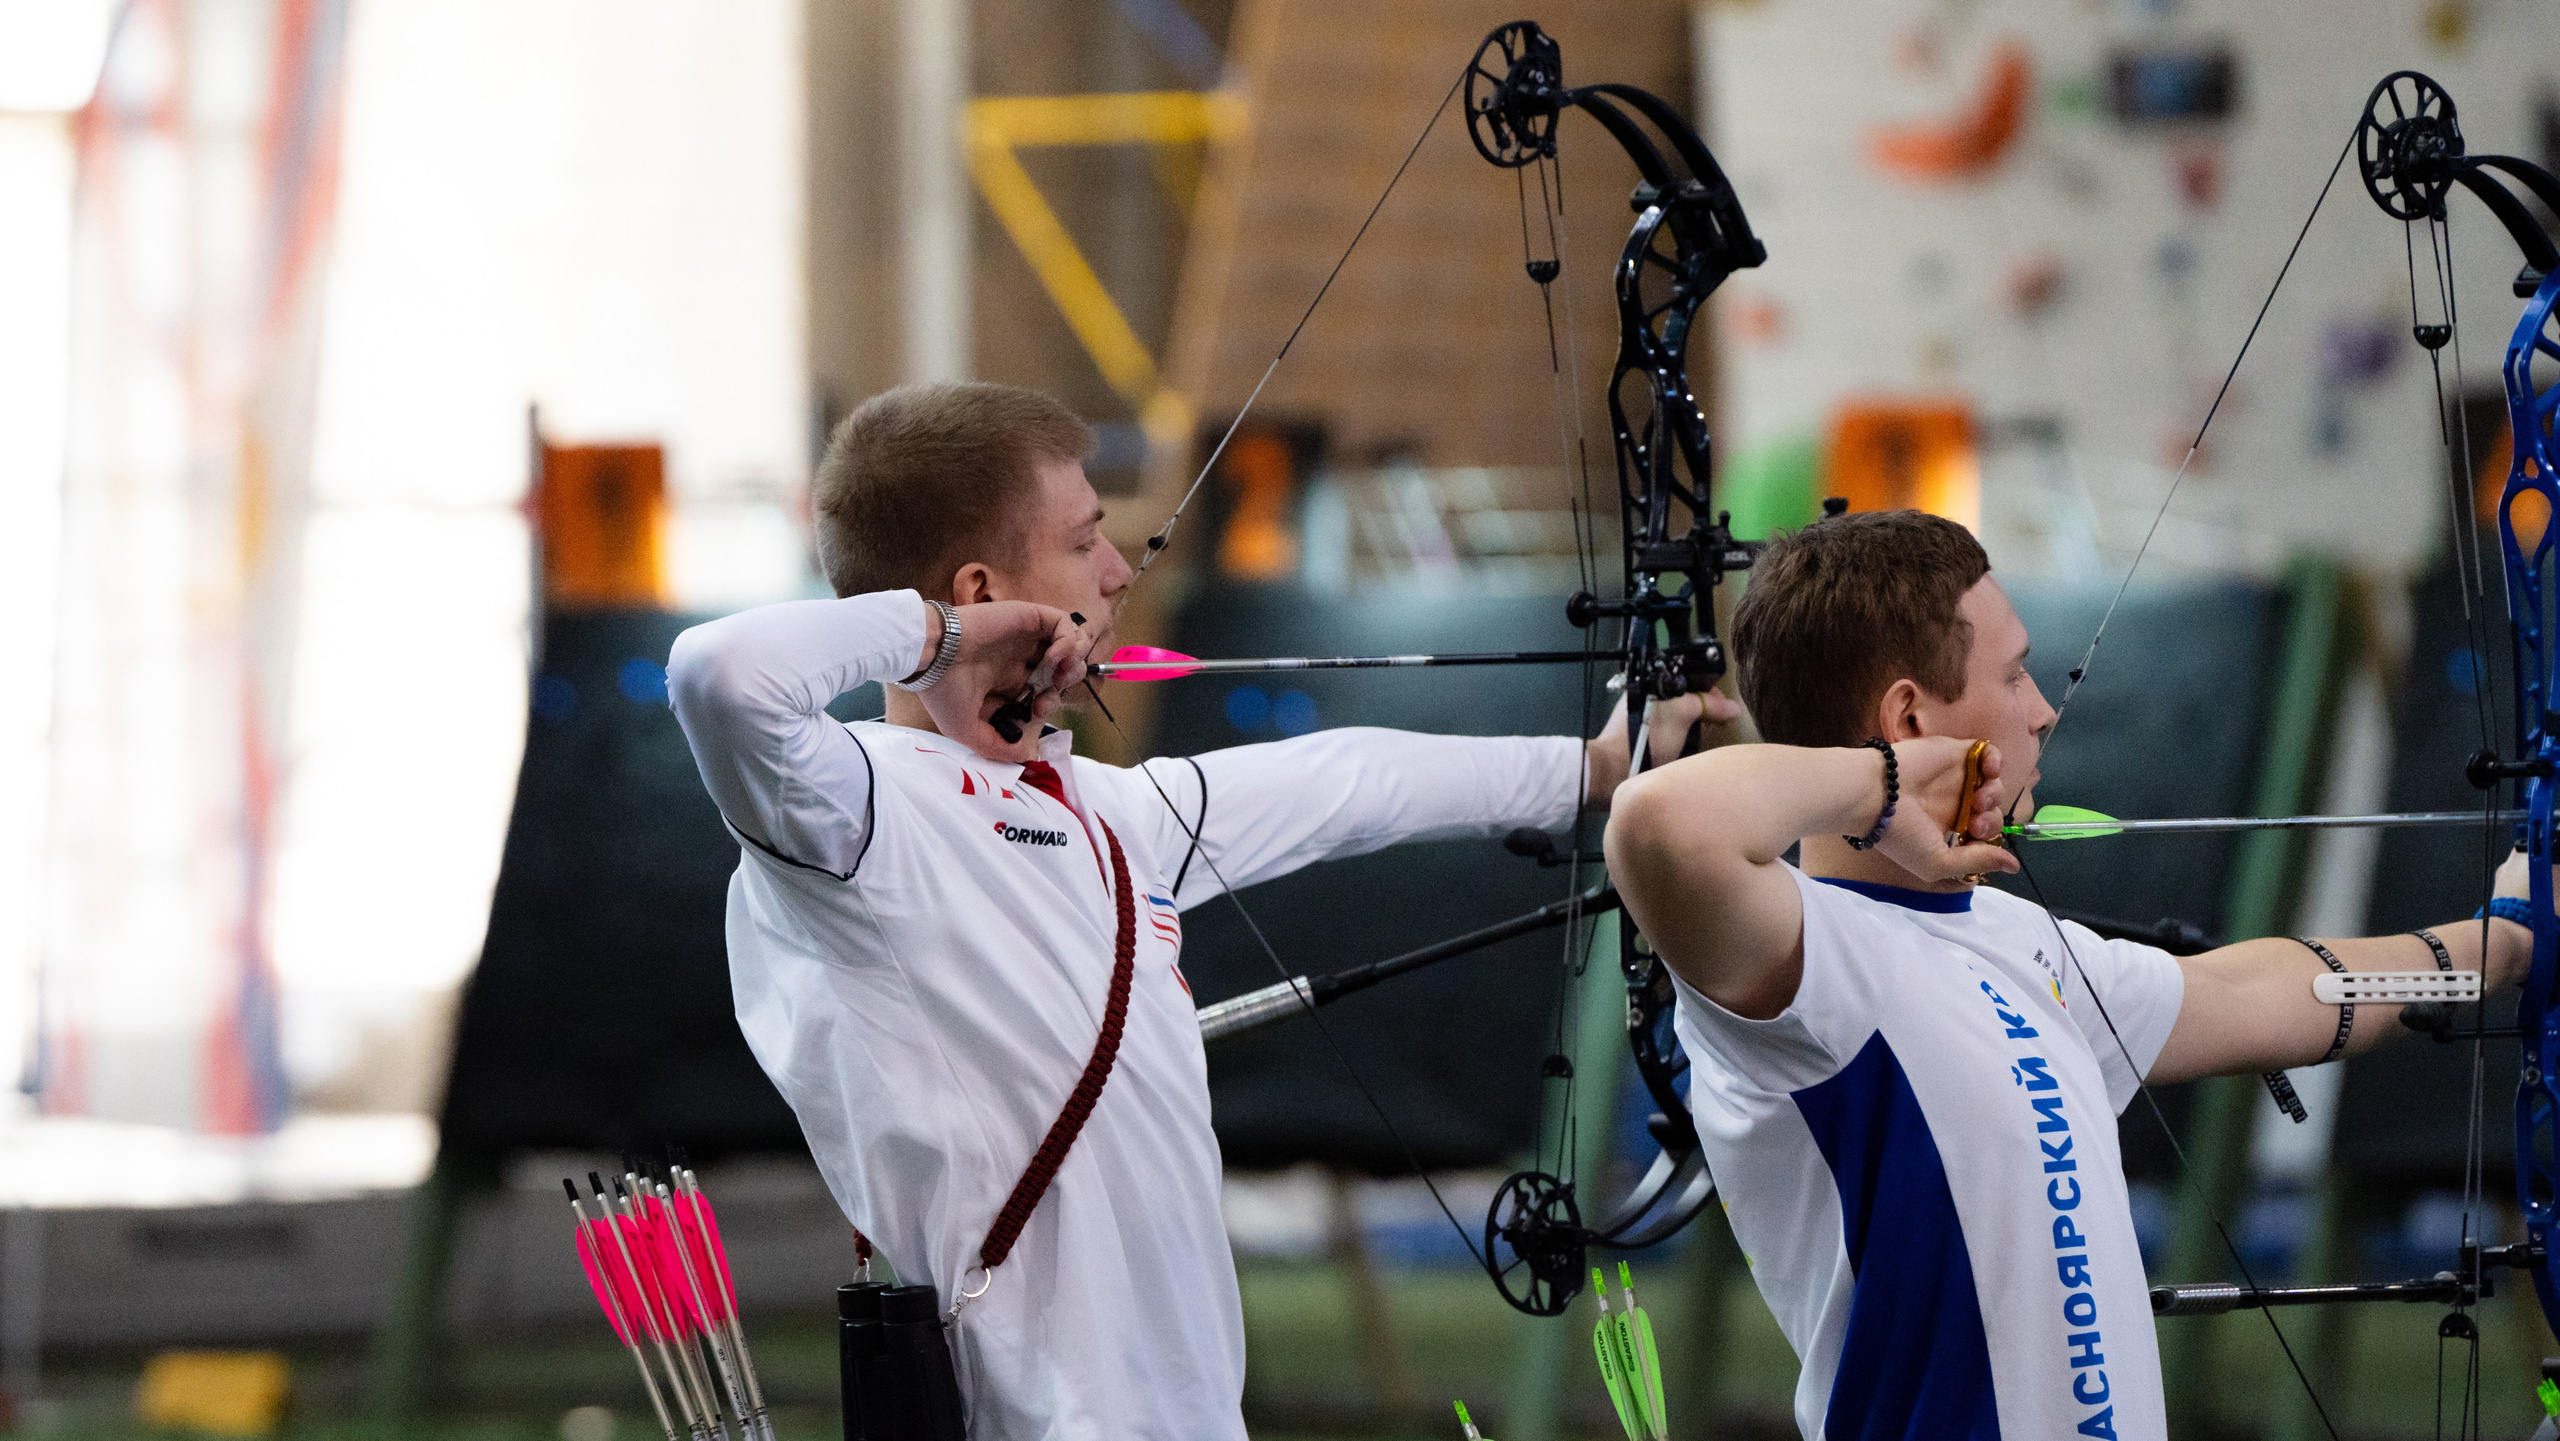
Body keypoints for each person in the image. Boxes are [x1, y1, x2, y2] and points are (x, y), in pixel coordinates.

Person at [666, 380, 1729, 1440]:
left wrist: (1599, 766)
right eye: (1083, 540)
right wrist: (950, 633)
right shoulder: (856, 812)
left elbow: (1349, 782)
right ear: (984, 589)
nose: (1117, 569)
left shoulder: (1114, 812)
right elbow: (718, 673)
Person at [1601, 509, 2536, 1441]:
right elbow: (1654, 822)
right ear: (1910, 718)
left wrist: (2502, 941)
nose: (2043, 707)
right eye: (2014, 674)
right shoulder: (1804, 959)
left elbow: (2258, 992)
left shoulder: (2017, 941)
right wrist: (1886, 781)